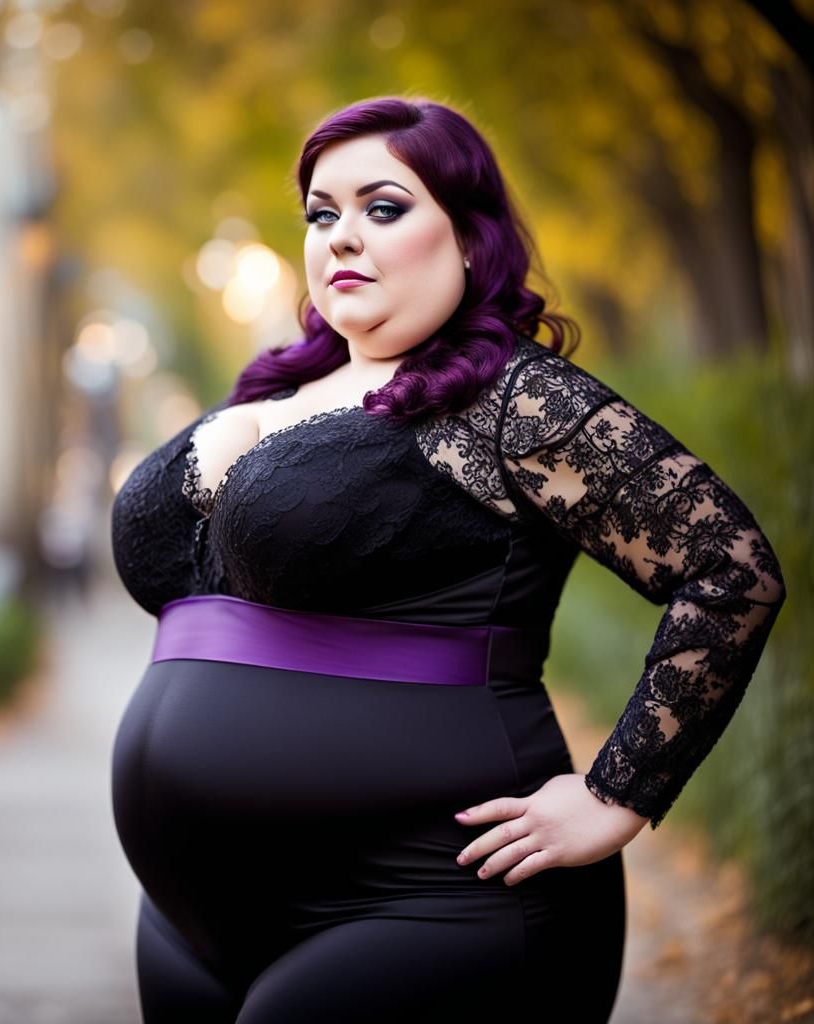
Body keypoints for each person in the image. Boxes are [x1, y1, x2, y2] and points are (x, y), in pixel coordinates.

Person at [109, 97, 786, 1024]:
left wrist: (617, 794)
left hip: (432, 898)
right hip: (192, 916)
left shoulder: (509, 400)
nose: (343, 235)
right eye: (322, 213)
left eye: (383, 207)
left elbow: (729, 567)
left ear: (469, 238)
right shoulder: (277, 388)